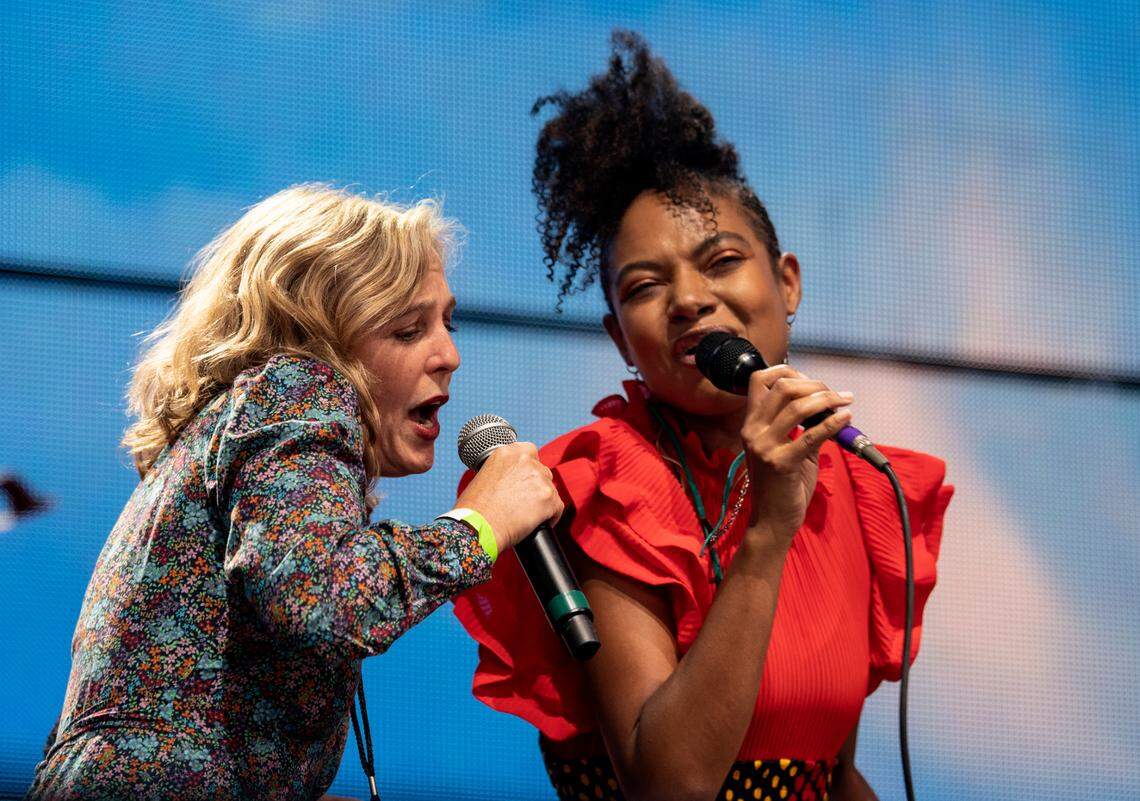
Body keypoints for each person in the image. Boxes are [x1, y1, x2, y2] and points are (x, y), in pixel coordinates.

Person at [453, 32, 954, 801]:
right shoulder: (608, 489)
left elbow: (828, 769)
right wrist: (767, 536)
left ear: (786, 282)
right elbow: (672, 783)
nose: (689, 298)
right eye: (647, 286)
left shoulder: (853, 483)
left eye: (721, 262)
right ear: (622, 335)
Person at [26, 185, 563, 801]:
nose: (450, 355)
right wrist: (480, 524)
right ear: (321, 339)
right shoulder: (296, 384)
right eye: (410, 329)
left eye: (448, 322)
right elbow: (321, 599)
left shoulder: (244, 437)